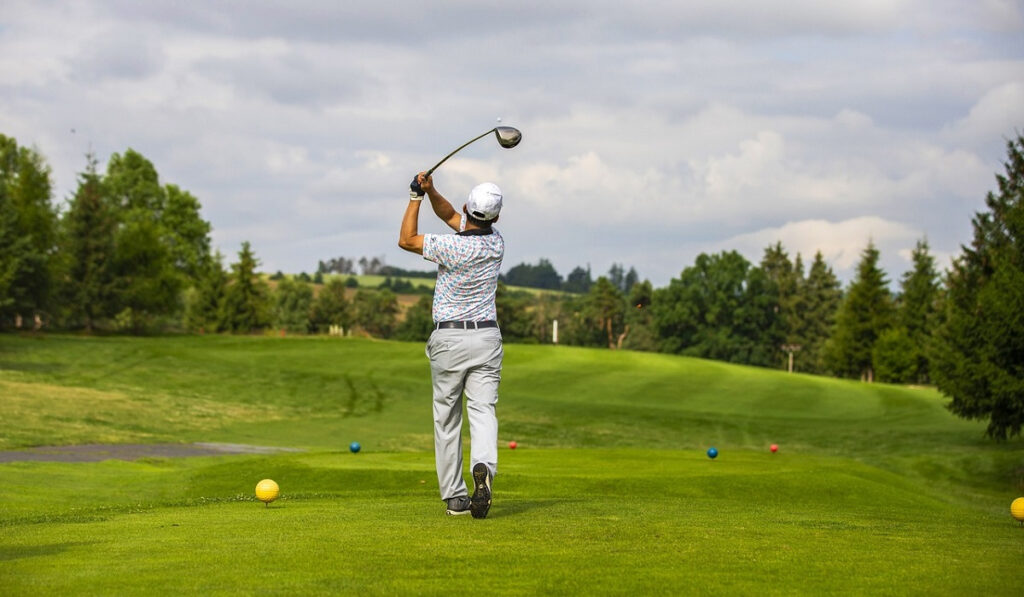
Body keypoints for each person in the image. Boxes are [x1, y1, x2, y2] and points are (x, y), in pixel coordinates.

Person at [398, 171, 505, 519]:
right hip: (487, 337)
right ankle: (484, 468)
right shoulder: (496, 243)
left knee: (447, 418)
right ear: (496, 217)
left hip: (449, 339)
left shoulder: (452, 246)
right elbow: (449, 217)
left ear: (467, 208)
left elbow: (407, 239)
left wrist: (415, 197)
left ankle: (456, 498)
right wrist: (431, 191)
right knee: (483, 410)